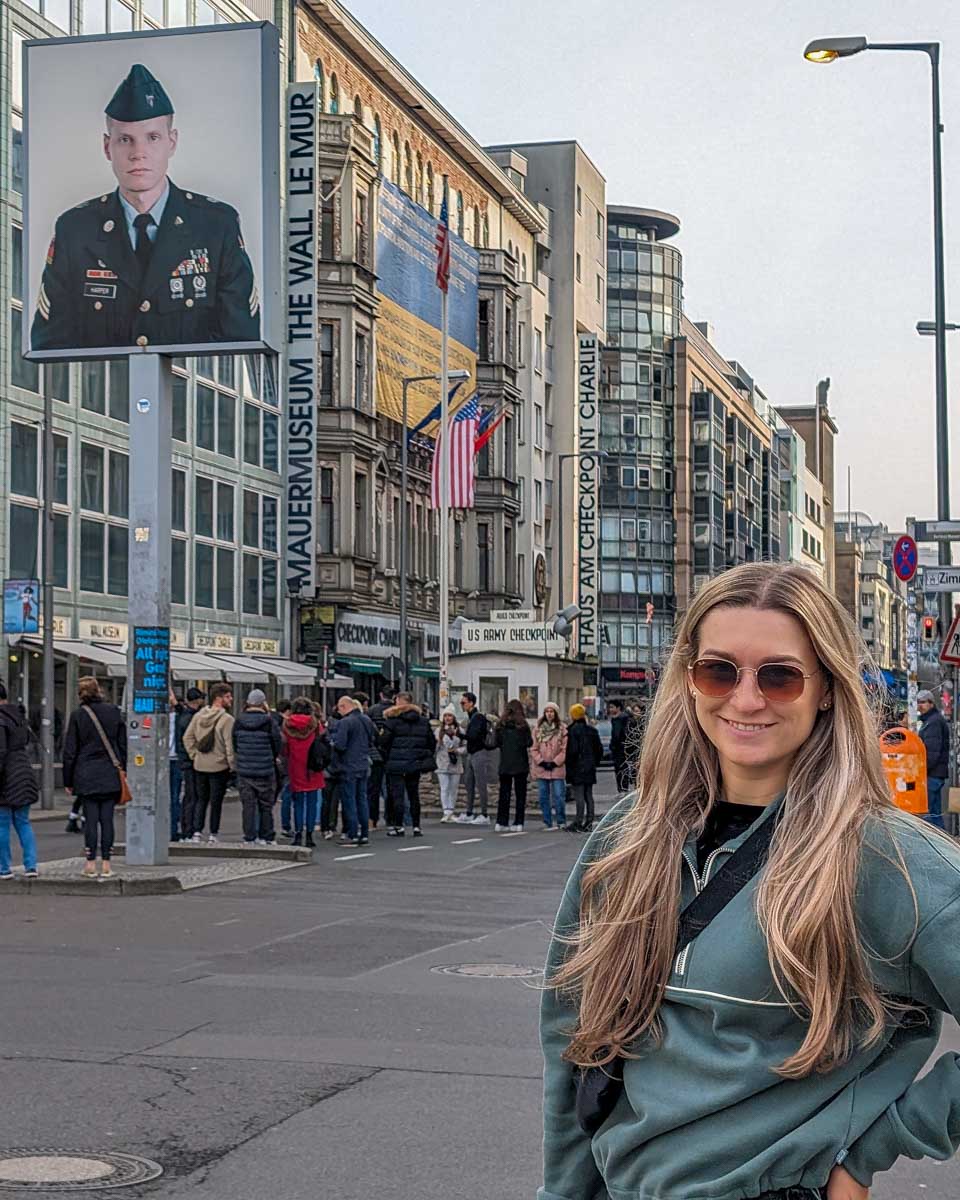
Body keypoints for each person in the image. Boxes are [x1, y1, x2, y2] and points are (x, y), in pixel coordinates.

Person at [540, 561, 960, 1200]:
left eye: (780, 676)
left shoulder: (885, 858)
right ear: (688, 680)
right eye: (719, 670)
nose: (744, 698)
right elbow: (574, 1039)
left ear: (826, 688)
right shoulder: (631, 832)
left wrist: (877, 1146)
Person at [31, 63, 260, 353]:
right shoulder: (76, 230)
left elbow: (240, 342)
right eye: (125, 139)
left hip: (186, 396)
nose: (138, 153)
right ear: (107, 147)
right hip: (101, 398)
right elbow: (50, 346)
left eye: (152, 138)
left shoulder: (216, 226)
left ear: (171, 142)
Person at [62, 675, 126, 878]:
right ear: (99, 690)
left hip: (86, 773)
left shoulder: (78, 715)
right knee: (107, 819)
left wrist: (68, 780)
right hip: (109, 772)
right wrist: (123, 770)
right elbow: (123, 746)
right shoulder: (114, 712)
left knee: (90, 820)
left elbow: (70, 751)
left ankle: (90, 863)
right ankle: (107, 863)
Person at [182, 682, 235, 845]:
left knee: (200, 799)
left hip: (200, 764)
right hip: (219, 765)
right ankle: (213, 833)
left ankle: (197, 832)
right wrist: (232, 764)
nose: (231, 699)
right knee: (216, 802)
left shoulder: (198, 716)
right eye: (227, 696)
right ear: (219, 698)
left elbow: (187, 737)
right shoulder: (227, 719)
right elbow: (229, 745)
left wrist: (194, 755)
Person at [380, 692, 435, 838]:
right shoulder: (422, 721)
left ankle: (399, 826)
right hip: (415, 763)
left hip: (395, 763)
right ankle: (416, 826)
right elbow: (431, 742)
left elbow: (383, 742)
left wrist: (387, 758)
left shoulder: (392, 721)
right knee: (413, 794)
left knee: (397, 795)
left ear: (398, 701)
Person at [232, 689, 282, 846]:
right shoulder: (268, 722)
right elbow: (277, 744)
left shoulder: (238, 721)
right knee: (265, 805)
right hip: (265, 768)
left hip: (245, 769)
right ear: (263, 703)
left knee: (248, 805)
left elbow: (235, 743)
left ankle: (249, 836)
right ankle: (267, 836)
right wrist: (272, 757)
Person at [0, 682, 39, 879]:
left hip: (6, 777)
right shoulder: (19, 717)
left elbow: (0, 753)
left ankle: (4, 868)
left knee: (2, 824)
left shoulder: (0, 720)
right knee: (23, 822)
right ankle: (31, 866)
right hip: (24, 774)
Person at [282, 697, 326, 847]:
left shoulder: (287, 724)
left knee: (298, 803)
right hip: (312, 766)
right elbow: (322, 742)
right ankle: (309, 835)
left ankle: (298, 832)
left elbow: (285, 748)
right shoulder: (315, 724)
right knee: (312, 802)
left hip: (295, 766)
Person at [332, 696, 373, 847]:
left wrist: (333, 743)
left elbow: (340, 745)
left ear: (343, 707)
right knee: (362, 800)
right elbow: (371, 742)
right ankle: (364, 834)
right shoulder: (366, 720)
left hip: (348, 766)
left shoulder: (345, 722)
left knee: (349, 801)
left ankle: (353, 834)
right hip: (363, 764)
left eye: (339, 708)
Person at [564, 703, 603, 834]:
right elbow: (599, 750)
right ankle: (589, 821)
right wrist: (594, 763)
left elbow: (572, 752)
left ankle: (578, 821)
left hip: (577, 767)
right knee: (588, 795)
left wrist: (569, 767)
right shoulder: (592, 731)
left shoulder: (572, 731)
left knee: (579, 795)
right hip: (589, 767)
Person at [495, 699, 533, 833]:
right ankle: (518, 822)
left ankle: (501, 822)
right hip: (520, 764)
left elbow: (496, 742)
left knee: (504, 794)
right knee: (520, 795)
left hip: (505, 763)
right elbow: (529, 743)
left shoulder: (501, 725)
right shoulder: (523, 725)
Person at [531, 702, 568, 830]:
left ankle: (561, 820)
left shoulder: (562, 729)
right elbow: (534, 748)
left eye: (552, 711)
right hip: (542, 767)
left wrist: (555, 762)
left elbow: (564, 749)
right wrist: (540, 761)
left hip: (557, 767)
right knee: (543, 795)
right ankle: (547, 820)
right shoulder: (538, 729)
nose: (549, 714)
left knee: (558, 795)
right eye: (547, 711)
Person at [917, 689, 949, 830]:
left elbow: (932, 752)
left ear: (931, 703)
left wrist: (922, 771)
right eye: (918, 702)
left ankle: (937, 846)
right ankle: (943, 844)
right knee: (934, 813)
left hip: (932, 774)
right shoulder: (932, 720)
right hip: (935, 773)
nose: (920, 705)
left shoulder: (933, 722)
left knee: (930, 815)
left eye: (923, 702)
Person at [458, 692, 492, 826]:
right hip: (472, 753)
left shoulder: (477, 718)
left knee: (480, 783)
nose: (462, 705)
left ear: (471, 703)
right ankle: (469, 812)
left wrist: (459, 735)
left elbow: (474, 736)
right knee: (469, 782)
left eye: (463, 702)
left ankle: (484, 814)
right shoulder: (471, 717)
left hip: (478, 752)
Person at [175, 687, 204, 840]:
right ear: (197, 700)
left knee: (189, 796)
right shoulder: (191, 718)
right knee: (192, 796)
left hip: (184, 759)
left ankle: (187, 828)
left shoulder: (183, 715)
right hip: (189, 761)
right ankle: (189, 829)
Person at [367, 686, 395, 830]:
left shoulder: (372, 710)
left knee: (374, 789)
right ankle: (391, 819)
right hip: (392, 753)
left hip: (375, 754)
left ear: (380, 695)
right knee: (392, 788)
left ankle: (373, 819)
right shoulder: (396, 711)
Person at [435, 708, 465, 822]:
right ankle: (446, 811)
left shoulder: (460, 730)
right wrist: (438, 742)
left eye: (450, 716)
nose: (447, 718)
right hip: (442, 763)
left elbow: (466, 746)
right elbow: (435, 748)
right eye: (445, 716)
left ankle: (451, 810)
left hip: (455, 763)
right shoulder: (439, 730)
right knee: (444, 787)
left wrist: (457, 751)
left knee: (453, 788)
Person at [608, 698, 639, 794]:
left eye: (612, 707)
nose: (610, 710)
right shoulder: (619, 719)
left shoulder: (621, 719)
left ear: (618, 708)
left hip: (621, 749)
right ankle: (622, 789)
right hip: (621, 749)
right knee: (621, 769)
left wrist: (614, 746)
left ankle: (623, 789)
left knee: (621, 769)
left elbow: (618, 735)